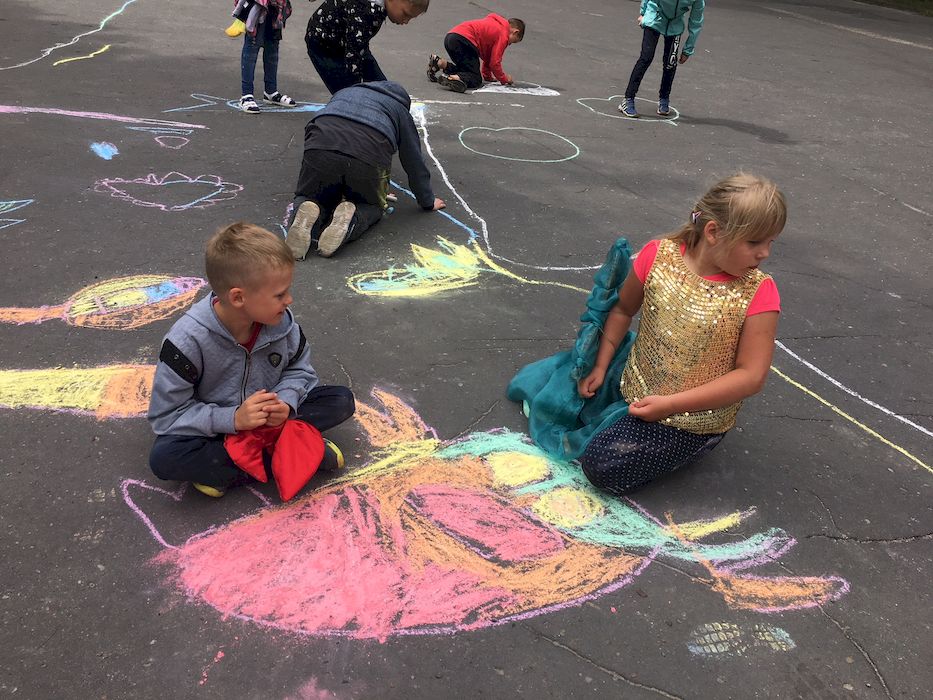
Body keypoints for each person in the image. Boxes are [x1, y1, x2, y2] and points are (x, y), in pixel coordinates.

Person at [509, 174, 785, 495]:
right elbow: (622, 310)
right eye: (754, 243)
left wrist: (670, 405)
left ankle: (702, 443)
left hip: (693, 417)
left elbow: (751, 376)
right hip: (637, 381)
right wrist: (601, 366)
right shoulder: (659, 256)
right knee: (568, 391)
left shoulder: (758, 291)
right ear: (713, 232)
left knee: (602, 466)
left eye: (770, 242)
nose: (765, 253)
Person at [147, 223, 355, 497]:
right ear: (238, 297)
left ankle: (235, 466)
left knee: (340, 400)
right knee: (165, 458)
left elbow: (299, 371)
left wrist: (285, 402)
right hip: (218, 429)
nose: (289, 300)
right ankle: (298, 452)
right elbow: (166, 416)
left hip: (269, 419)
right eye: (279, 294)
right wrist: (233, 418)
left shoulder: (282, 324)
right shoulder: (186, 342)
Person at [285, 80, 445, 260]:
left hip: (320, 144)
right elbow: (412, 159)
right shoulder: (399, 109)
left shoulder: (344, 92)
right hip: (368, 152)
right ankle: (352, 219)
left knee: (313, 195)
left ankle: (305, 212)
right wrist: (427, 200)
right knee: (371, 205)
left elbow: (317, 126)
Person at [305, 0, 430, 95]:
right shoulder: (367, 12)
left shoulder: (376, 8)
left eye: (410, 18)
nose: (406, 21)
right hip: (324, 46)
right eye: (405, 14)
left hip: (351, 42)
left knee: (382, 90)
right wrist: (356, 90)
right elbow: (353, 56)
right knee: (349, 96)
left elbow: (357, 44)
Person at [619, 0, 705, 118]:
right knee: (646, 57)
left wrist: (688, 49)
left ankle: (664, 98)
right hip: (654, 17)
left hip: (675, 24)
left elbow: (696, 22)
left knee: (670, 62)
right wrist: (643, 14)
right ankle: (628, 99)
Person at [426, 15, 525, 93]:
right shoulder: (503, 35)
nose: (509, 44)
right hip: (464, 41)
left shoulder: (496, 24)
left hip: (451, 37)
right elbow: (495, 62)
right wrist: (504, 79)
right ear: (515, 32)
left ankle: (441, 63)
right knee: (475, 79)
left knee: (466, 69)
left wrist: (488, 76)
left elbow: (489, 58)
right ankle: (453, 78)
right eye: (513, 41)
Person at [236, 0, 299, 113]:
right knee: (252, 44)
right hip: (257, 4)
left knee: (272, 46)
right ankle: (246, 94)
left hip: (275, 5)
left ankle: (271, 91)